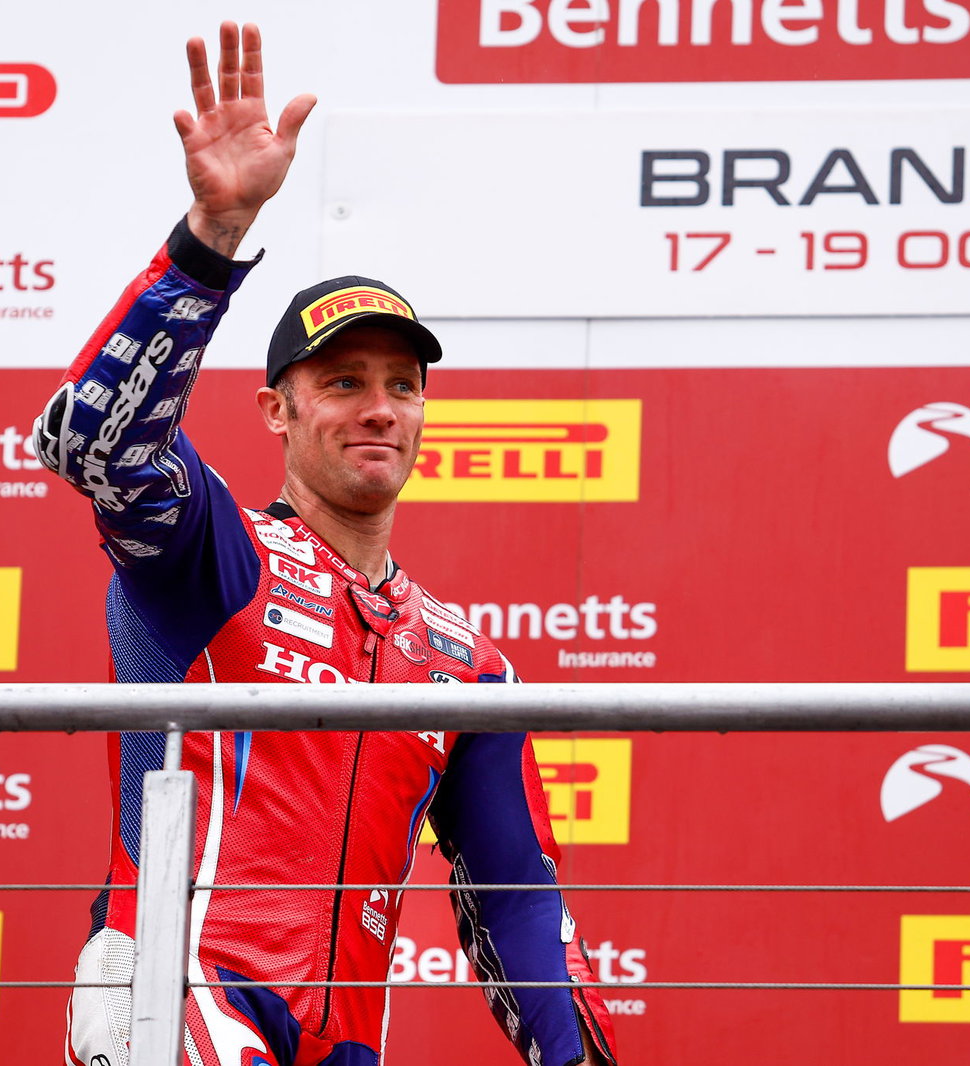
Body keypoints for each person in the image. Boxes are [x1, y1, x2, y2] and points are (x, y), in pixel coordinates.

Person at [34, 21, 619, 1066]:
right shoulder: (213, 552)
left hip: (344, 1043)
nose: (379, 409)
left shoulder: (466, 664)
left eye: (402, 385)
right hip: (177, 1001)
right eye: (343, 382)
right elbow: (93, 442)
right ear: (276, 412)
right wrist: (210, 238)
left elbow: (521, 907)